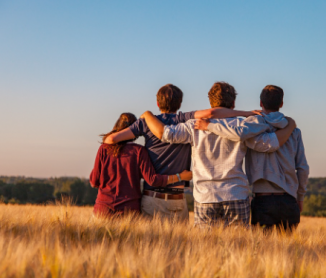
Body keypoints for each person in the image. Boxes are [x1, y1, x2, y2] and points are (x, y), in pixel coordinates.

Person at [140, 82, 297, 227]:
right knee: (239, 249)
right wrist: (290, 126)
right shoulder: (243, 126)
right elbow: (268, 144)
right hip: (236, 194)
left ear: (210, 103)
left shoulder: (193, 126)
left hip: (205, 196)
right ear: (233, 103)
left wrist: (147, 115)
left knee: (205, 250)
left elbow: (166, 134)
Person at [103, 84, 260, 221]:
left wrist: (136, 147)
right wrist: (245, 113)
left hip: (151, 198)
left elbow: (110, 140)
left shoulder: (146, 122)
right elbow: (212, 113)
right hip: (177, 199)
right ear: (180, 103)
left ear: (158, 103)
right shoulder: (184, 119)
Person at [195, 85, 309, 231]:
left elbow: (237, 133)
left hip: (263, 200)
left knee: (261, 251)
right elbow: (303, 168)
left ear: (261, 103)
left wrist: (209, 126)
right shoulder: (294, 131)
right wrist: (300, 197)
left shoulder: (251, 127)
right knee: (288, 251)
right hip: (289, 199)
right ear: (281, 104)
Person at [89, 112, 192, 218]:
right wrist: (180, 176)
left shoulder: (104, 149)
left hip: (103, 209)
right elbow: (153, 180)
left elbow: (94, 181)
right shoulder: (139, 151)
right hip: (129, 211)